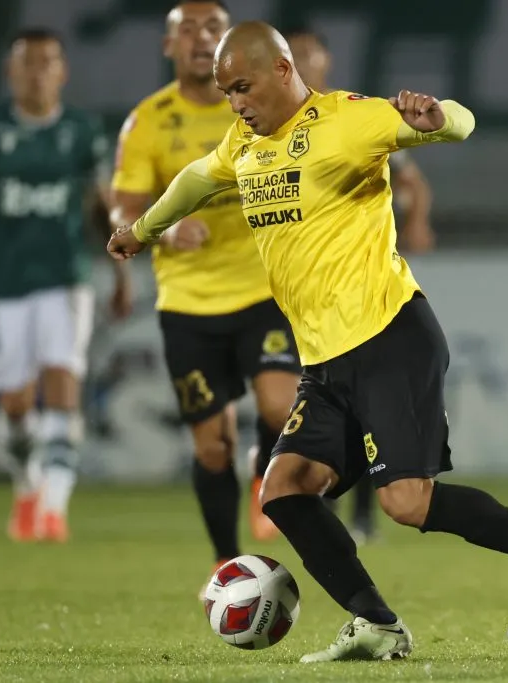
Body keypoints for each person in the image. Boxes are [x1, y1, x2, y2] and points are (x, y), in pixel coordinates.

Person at [108, 21, 508, 663]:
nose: (237, 104)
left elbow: (459, 125)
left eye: (243, 87)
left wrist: (438, 114)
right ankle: (376, 623)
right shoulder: (246, 142)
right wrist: (145, 228)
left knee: (406, 504)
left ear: (281, 70)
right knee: (283, 491)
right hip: (324, 359)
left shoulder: (348, 120)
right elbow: (198, 177)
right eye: (226, 93)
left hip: (390, 337)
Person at [108, 1, 300, 593]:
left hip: (261, 290)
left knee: (279, 409)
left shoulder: (253, 106)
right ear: (168, 47)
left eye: (212, 29)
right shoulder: (146, 122)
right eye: (185, 30)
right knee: (211, 444)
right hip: (188, 306)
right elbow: (123, 208)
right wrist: (164, 228)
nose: (200, 39)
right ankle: (227, 562)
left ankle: (262, 480)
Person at [0, 28, 131, 542]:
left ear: (62, 72)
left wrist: (121, 268)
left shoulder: (81, 132)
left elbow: (100, 203)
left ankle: (54, 508)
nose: (37, 72)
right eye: (27, 63)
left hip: (65, 278)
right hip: (4, 281)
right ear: (10, 71)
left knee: (63, 382)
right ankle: (27, 484)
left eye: (47, 62)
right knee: (16, 403)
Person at [284, 25, 436, 544]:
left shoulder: (352, 114)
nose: (302, 62)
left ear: (325, 61)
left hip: (369, 277)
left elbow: (412, 175)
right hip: (314, 294)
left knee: (371, 404)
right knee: (337, 407)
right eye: (293, 55)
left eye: (309, 54)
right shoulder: (268, 130)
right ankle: (324, 498)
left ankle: (365, 512)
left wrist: (417, 222)